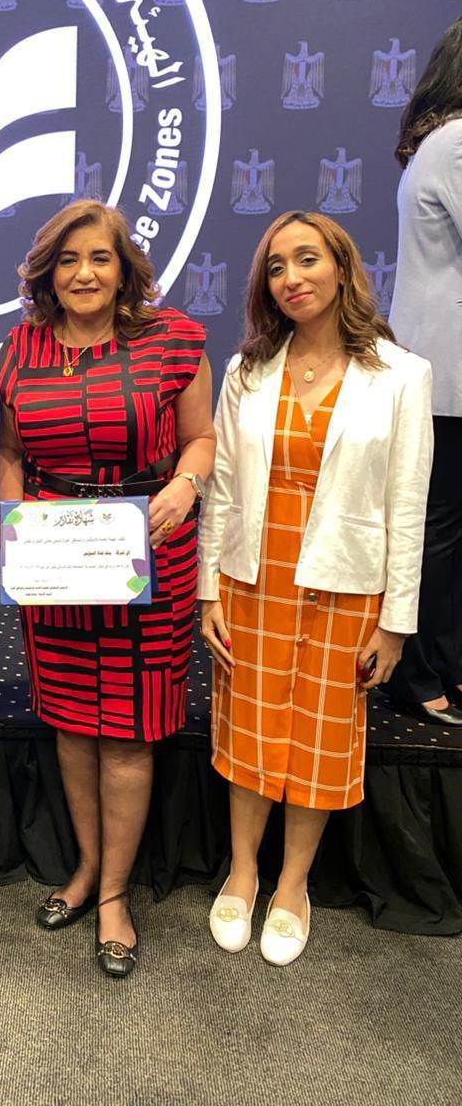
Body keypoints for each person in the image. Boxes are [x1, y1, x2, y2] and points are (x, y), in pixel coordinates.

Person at [198, 212, 433, 966]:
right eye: (276, 267)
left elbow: (408, 507)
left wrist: (395, 623)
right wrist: (209, 592)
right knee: (250, 728)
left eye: (307, 260)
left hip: (345, 585)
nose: (292, 278)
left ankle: (292, 886)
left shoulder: (402, 375)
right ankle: (243, 871)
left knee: (320, 739)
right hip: (253, 578)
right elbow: (222, 490)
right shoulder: (246, 372)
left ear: (342, 267)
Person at [0, 199, 215, 978]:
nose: (83, 273)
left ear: (124, 270)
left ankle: (115, 894)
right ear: (46, 273)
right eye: (67, 259)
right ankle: (86, 869)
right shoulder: (19, 347)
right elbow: (9, 451)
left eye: (99, 258)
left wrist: (185, 485)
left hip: (148, 555)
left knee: (125, 732)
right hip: (57, 558)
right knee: (71, 725)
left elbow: (201, 436)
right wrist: (12, 518)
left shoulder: (173, 338)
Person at [387, 18, 462, 726]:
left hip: (442, 368)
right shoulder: (460, 141)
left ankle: (440, 664)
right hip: (450, 373)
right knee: (437, 531)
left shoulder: (439, 139)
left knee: (442, 528)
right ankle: (417, 673)